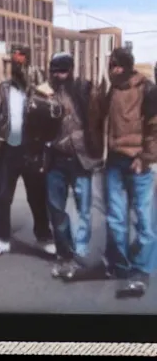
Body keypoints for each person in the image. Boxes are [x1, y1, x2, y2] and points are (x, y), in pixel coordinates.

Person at [0, 45, 56, 257]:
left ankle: (43, 237)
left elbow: (53, 116)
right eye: (14, 58)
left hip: (33, 151)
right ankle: (1, 237)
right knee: (3, 196)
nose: (18, 61)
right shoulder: (2, 89)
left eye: (22, 57)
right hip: (9, 151)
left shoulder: (40, 90)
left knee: (37, 197)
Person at [99, 47, 157, 297]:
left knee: (143, 220)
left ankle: (141, 270)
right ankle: (119, 265)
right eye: (111, 65)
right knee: (115, 217)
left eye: (117, 65)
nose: (113, 69)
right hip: (113, 161)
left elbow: (154, 127)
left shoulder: (147, 89)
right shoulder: (112, 88)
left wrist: (145, 158)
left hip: (137, 163)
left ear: (128, 66)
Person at [44, 52, 102, 280]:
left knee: (84, 210)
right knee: (57, 212)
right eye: (55, 71)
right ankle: (64, 255)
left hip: (80, 159)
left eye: (63, 71)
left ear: (71, 70)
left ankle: (80, 253)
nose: (59, 75)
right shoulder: (43, 92)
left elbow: (98, 119)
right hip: (54, 160)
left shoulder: (85, 89)